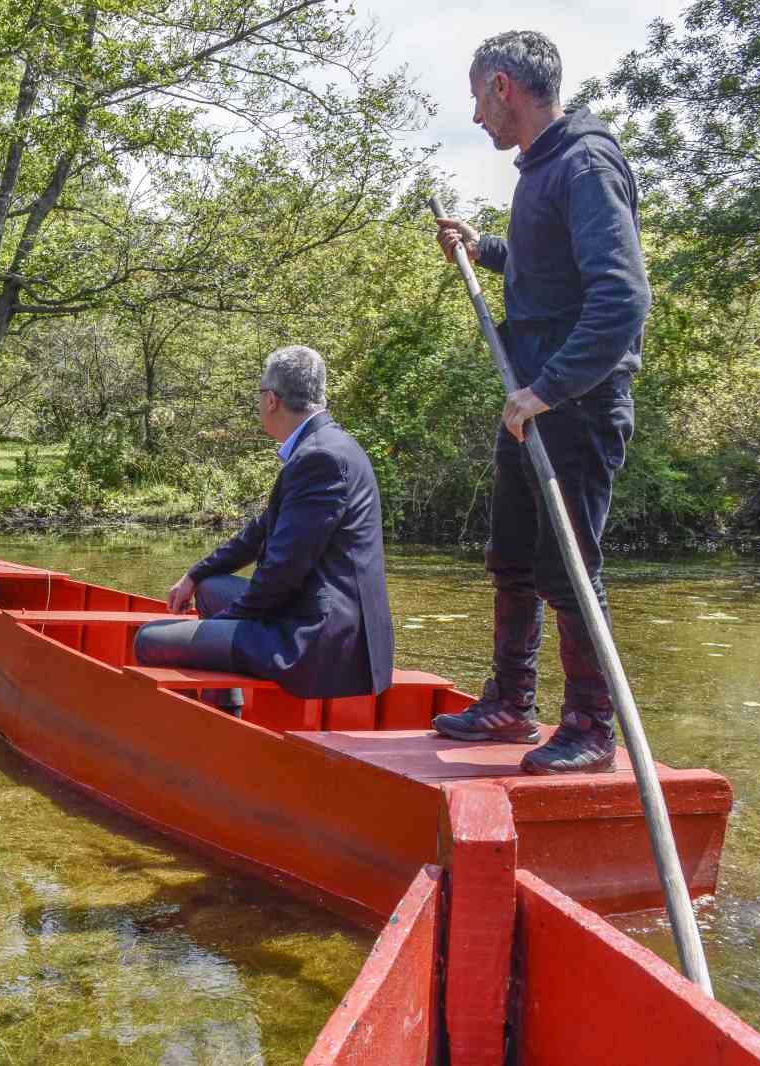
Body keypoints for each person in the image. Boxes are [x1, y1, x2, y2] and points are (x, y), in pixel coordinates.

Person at [432, 31, 650, 774]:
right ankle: (510, 705)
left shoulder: (585, 163)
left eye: (476, 101)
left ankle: (591, 728)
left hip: (573, 403)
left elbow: (621, 299)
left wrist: (548, 391)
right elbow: (545, 268)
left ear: (502, 87)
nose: (476, 120)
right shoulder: (542, 169)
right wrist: (483, 247)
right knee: (513, 557)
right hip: (528, 400)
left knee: (569, 569)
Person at [134, 345, 394, 706]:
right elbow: (261, 531)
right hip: (315, 618)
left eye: (258, 396)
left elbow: (283, 570)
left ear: (271, 400)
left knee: (147, 640)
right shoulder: (328, 445)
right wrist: (195, 574)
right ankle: (225, 711)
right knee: (210, 587)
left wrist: (225, 622)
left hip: (318, 641)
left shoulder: (320, 457)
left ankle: (216, 723)